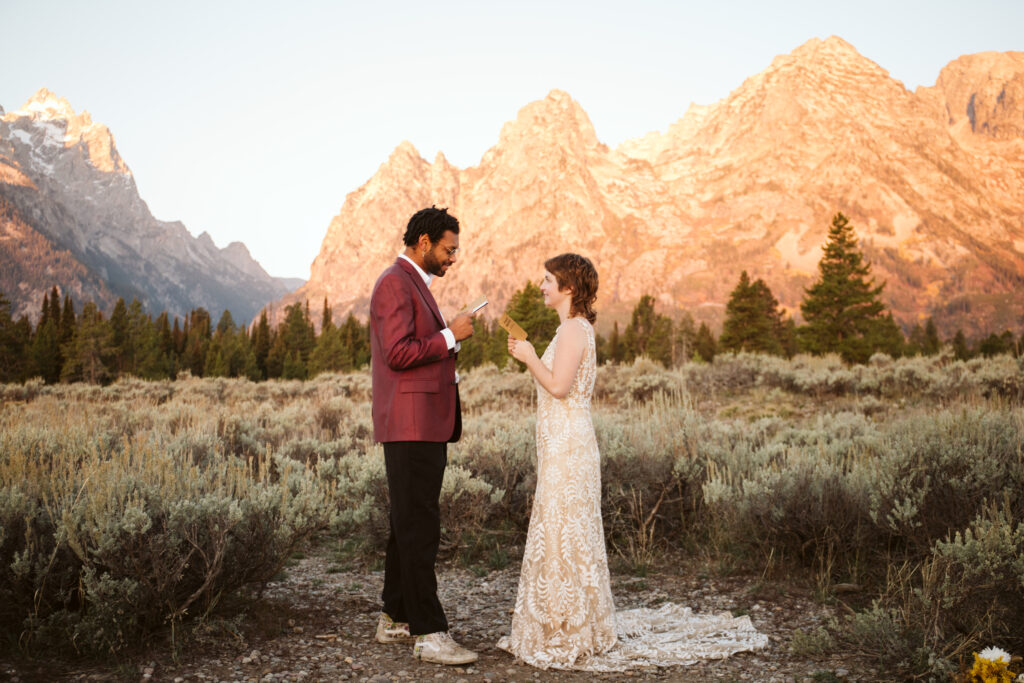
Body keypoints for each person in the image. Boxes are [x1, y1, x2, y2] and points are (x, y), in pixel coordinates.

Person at [499, 253, 768, 671]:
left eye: (548, 280)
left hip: (569, 446)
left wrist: (530, 356)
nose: (542, 286)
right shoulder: (573, 328)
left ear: (569, 287)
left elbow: (558, 386)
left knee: (565, 529)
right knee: (563, 529)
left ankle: (568, 629)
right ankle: (565, 623)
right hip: (562, 443)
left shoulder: (572, 329)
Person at [369, 206, 478, 666]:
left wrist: (446, 331)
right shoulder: (395, 282)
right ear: (424, 243)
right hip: (411, 425)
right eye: (449, 250)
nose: (453, 258)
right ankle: (430, 634)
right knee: (419, 527)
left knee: (406, 523)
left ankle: (395, 617)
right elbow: (398, 353)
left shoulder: (413, 283)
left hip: (420, 424)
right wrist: (451, 336)